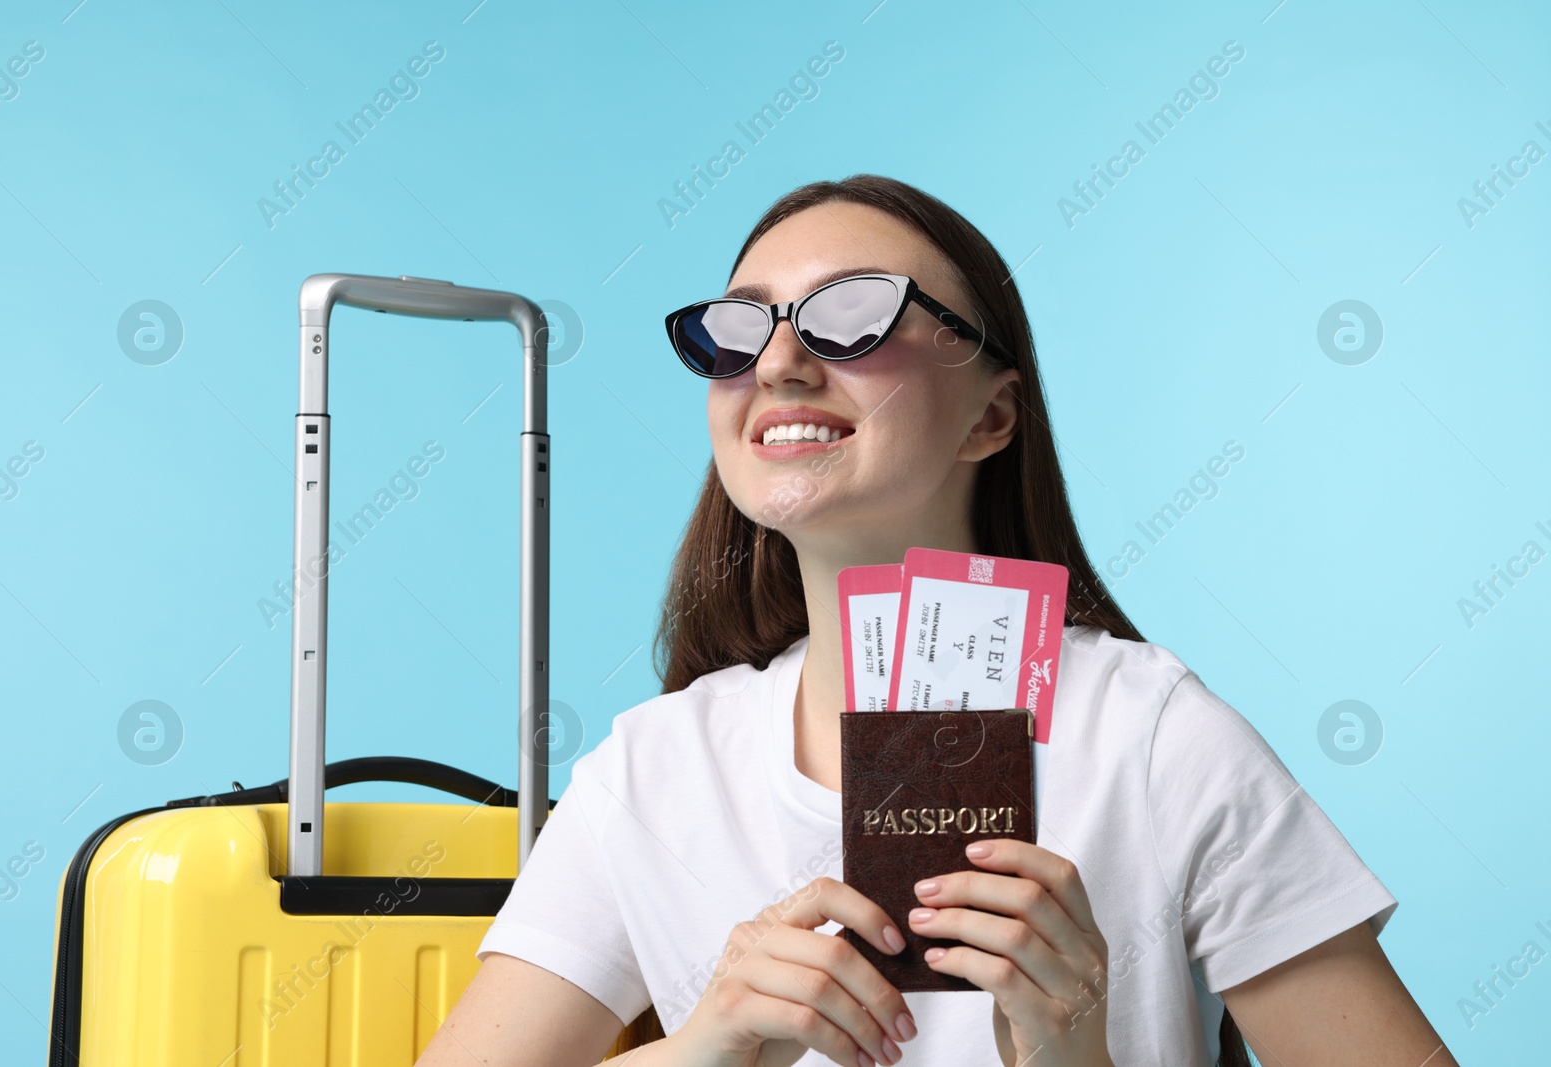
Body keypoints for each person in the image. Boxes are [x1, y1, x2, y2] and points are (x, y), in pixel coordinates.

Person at [416, 175, 1457, 1067]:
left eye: (851, 314)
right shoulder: (648, 772)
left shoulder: (1151, 736)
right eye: (738, 328)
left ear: (991, 415)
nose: (777, 362)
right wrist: (703, 1045)